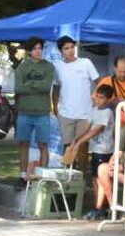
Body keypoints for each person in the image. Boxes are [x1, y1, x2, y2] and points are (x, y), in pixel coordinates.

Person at [14, 37, 56, 188]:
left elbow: (46, 87)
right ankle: (23, 176)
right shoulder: (22, 67)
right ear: (29, 51)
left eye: (40, 48)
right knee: (23, 144)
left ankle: (43, 176)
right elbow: (18, 88)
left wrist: (29, 84)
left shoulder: (49, 66)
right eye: (35, 48)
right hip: (24, 112)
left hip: (42, 112)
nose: (38, 51)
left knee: (43, 144)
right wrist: (36, 85)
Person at [70, 84, 116, 220]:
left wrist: (80, 142)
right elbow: (87, 128)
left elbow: (97, 130)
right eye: (97, 97)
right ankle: (100, 207)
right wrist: (76, 139)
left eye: (101, 98)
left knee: (102, 180)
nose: (98, 100)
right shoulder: (94, 110)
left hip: (104, 150)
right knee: (96, 180)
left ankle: (101, 207)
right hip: (95, 150)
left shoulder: (107, 112)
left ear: (108, 99)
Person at [52, 36, 100, 153]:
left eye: (72, 47)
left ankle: (81, 172)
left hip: (85, 113)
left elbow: (99, 82)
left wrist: (96, 100)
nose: (70, 50)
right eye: (66, 48)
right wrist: (55, 109)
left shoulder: (85, 63)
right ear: (61, 51)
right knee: (67, 147)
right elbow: (56, 87)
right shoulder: (57, 66)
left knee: (82, 146)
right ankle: (67, 171)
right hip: (65, 114)